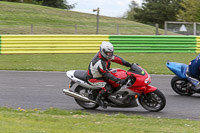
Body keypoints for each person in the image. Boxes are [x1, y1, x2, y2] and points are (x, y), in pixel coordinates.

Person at [86, 41, 132, 108]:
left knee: (118, 74)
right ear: (103, 52)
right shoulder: (99, 61)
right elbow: (106, 74)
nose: (110, 54)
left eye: (111, 53)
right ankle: (99, 99)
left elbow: (117, 59)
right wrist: (118, 80)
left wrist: (129, 64)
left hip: (102, 73)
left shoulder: (106, 56)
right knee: (108, 88)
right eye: (108, 53)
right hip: (94, 78)